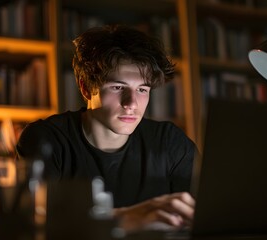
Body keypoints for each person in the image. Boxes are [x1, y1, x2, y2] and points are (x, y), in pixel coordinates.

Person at [16, 24, 196, 233]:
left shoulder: (170, 142)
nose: (131, 103)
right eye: (118, 87)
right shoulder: (46, 140)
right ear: (85, 87)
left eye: (142, 89)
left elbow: (205, 216)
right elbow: (39, 228)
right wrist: (128, 219)